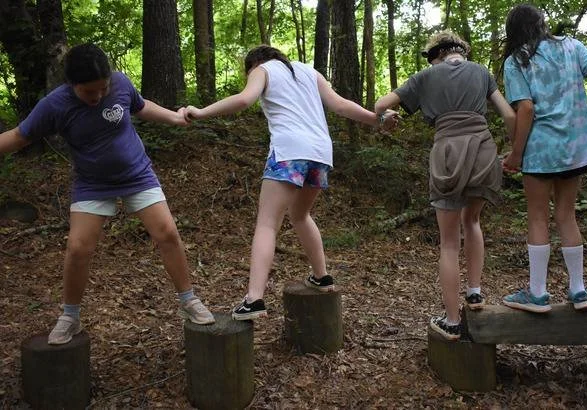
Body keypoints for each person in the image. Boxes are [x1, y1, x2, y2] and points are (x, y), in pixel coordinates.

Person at [0, 44, 215, 345]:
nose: (98, 96)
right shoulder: (54, 105)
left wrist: (175, 118)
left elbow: (141, 106)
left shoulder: (121, 83)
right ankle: (70, 316)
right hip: (92, 183)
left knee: (167, 233)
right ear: (72, 84)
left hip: (137, 174)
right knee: (78, 248)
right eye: (90, 92)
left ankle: (189, 300)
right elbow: (20, 136)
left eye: (103, 89)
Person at [185, 45, 398, 320]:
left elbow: (243, 100)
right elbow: (341, 105)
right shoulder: (309, 72)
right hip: (320, 153)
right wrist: (377, 119)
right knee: (300, 215)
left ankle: (254, 299)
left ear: (254, 64)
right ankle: (321, 277)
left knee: (267, 223)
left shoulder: (262, 70)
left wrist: (201, 112)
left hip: (289, 151)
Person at [375, 31, 516, 341]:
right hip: (482, 150)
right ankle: (475, 293)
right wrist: (515, 151)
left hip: (448, 153)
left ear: (436, 54)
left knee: (449, 242)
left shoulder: (426, 75)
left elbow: (381, 104)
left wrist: (387, 116)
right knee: (473, 221)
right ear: (461, 52)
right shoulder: (481, 72)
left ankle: (452, 321)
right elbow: (508, 114)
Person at [501, 4, 587, 313]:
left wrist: (516, 153)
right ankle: (579, 290)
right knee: (567, 216)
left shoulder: (516, 60)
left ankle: (538, 294)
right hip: (575, 148)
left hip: (541, 150)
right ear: (541, 24)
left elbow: (526, 109)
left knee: (538, 217)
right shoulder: (571, 46)